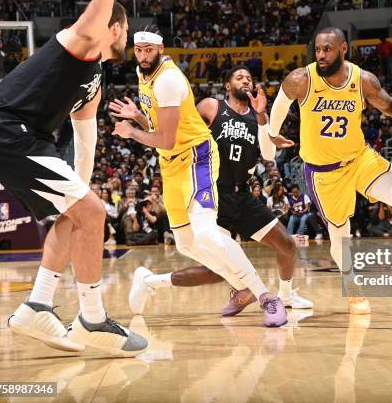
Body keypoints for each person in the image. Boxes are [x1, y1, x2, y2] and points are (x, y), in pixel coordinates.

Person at [0, 0, 148, 356]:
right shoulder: (82, 37)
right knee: (90, 211)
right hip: (5, 128)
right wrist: (89, 208)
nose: (128, 39)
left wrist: (82, 199)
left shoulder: (95, 80)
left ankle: (36, 307)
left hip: (27, 138)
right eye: (127, 31)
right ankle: (91, 319)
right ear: (114, 27)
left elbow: (85, 142)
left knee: (80, 214)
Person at [110, 27, 287, 327]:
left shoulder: (167, 79)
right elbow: (161, 126)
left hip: (196, 157)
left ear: (161, 49)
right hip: (170, 164)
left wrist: (131, 132)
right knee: (186, 244)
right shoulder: (144, 76)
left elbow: (165, 139)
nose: (142, 56)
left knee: (206, 233)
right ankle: (233, 285)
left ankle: (266, 296)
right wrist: (139, 118)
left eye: (148, 50)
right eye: (138, 50)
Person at [268, 27, 392, 315]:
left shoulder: (363, 80)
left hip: (359, 159)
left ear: (343, 49)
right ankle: (352, 284)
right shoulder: (301, 79)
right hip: (324, 172)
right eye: (318, 49)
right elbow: (280, 105)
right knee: (340, 237)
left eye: (327, 49)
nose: (321, 55)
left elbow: (390, 105)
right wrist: (272, 132)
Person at [122, 65, 312, 313]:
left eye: (249, 78)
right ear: (227, 85)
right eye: (239, 77)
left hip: (243, 194)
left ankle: (285, 296)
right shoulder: (211, 106)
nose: (246, 81)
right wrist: (139, 118)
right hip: (212, 191)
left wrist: (263, 115)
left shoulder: (257, 118)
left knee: (287, 245)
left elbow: (268, 154)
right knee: (216, 270)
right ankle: (153, 282)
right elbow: (174, 129)